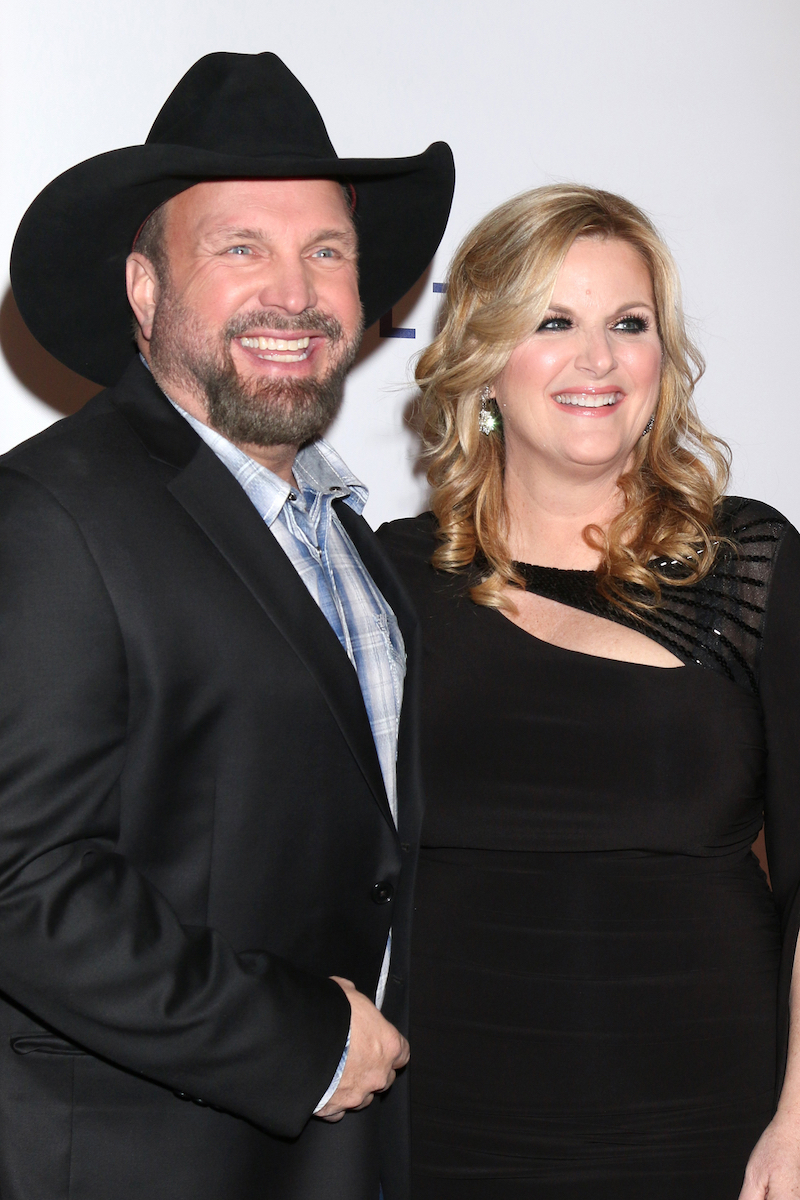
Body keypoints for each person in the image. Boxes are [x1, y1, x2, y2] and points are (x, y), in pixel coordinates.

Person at [0, 51, 453, 1200]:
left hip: (345, 1157)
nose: (293, 292)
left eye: (326, 250)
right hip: (144, 1159)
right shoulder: (53, 511)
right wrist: (294, 1040)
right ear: (145, 291)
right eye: (240, 247)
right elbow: (21, 878)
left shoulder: (352, 539)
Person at [378, 184, 800, 1199]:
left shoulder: (745, 563)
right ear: (480, 360)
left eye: (628, 324)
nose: (597, 360)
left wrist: (796, 1118)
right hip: (448, 1121)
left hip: (713, 1122)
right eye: (552, 322)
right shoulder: (388, 576)